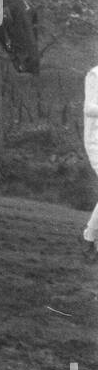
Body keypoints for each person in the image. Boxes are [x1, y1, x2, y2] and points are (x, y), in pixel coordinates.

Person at [82, 64, 98, 259]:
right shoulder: (95, 74)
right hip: (95, 140)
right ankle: (89, 236)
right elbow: (89, 109)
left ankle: (89, 235)